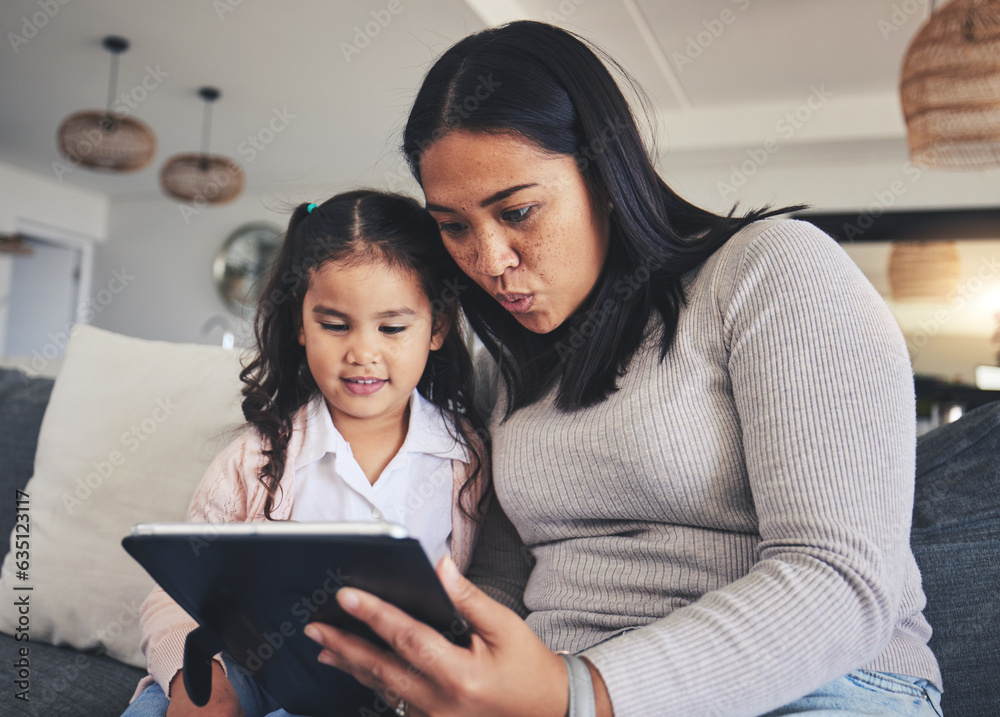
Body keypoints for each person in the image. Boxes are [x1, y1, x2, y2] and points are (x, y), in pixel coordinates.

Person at [304, 21, 944, 717]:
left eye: (517, 211)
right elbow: (500, 582)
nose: (489, 260)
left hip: (817, 687)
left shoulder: (771, 270)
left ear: (604, 176)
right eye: (453, 226)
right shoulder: (504, 371)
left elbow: (843, 580)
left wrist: (580, 691)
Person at [122, 190, 490, 717]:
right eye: (335, 324)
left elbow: (475, 601)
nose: (362, 352)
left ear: (438, 328)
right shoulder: (254, 460)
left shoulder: (464, 463)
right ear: (300, 324)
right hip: (242, 668)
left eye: (392, 327)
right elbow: (177, 592)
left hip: (382, 693)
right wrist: (195, 684)